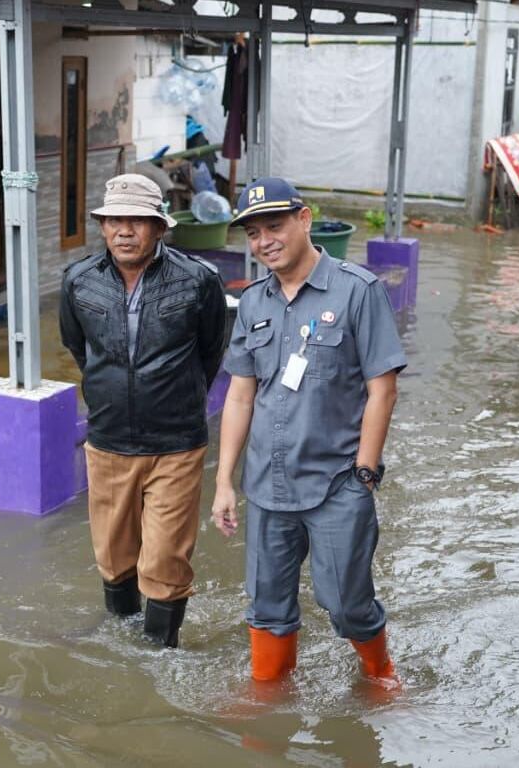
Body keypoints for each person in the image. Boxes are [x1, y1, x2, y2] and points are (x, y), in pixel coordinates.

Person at [210, 177, 406, 688]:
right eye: (253, 233)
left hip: (336, 482)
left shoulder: (357, 291)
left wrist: (365, 473)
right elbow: (240, 396)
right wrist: (224, 481)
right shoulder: (253, 302)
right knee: (267, 604)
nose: (264, 242)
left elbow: (382, 390)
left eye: (274, 227)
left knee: (345, 602)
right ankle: (267, 695)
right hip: (268, 485)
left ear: (304, 219)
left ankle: (380, 673)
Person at [59, 173, 227, 648]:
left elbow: (210, 352)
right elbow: (80, 349)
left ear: (159, 227)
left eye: (137, 220)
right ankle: (121, 636)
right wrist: (114, 392)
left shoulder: (198, 281)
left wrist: (173, 397)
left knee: (165, 559)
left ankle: (157, 653)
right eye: (114, 220)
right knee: (114, 555)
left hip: (176, 443)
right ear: (102, 226)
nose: (125, 231)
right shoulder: (79, 281)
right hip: (109, 439)